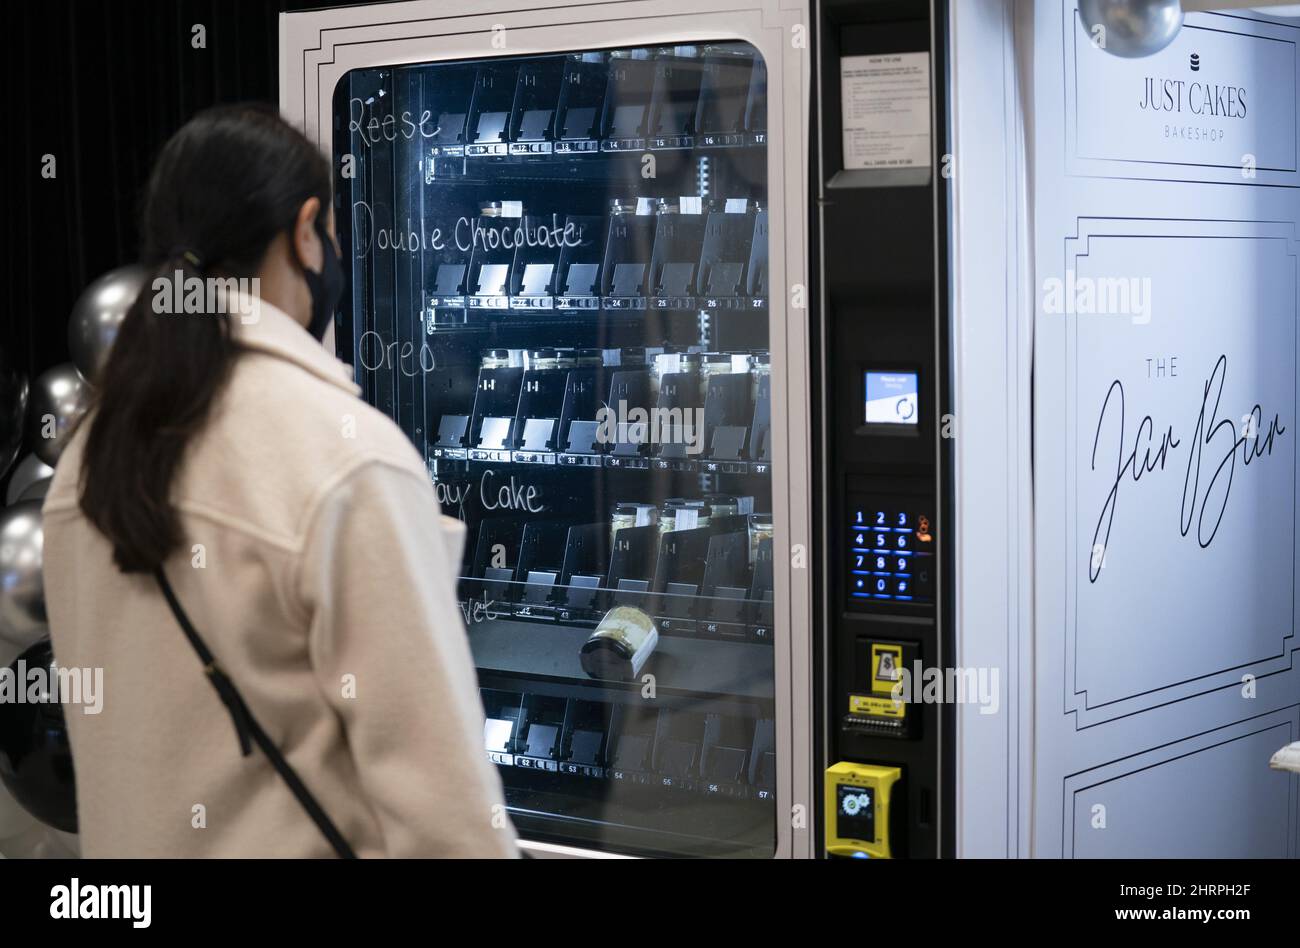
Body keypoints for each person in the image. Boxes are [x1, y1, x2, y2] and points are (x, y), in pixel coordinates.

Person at [41, 104, 518, 858]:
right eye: (329, 233)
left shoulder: (87, 455)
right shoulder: (346, 455)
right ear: (305, 230)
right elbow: (447, 824)